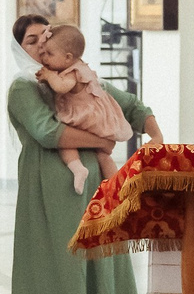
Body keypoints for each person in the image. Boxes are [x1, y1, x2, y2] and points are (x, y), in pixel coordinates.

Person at [9, 13, 158, 294]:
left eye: (46, 37)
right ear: (20, 49)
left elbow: (130, 105)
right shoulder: (23, 89)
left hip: (92, 195)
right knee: (50, 281)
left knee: (89, 281)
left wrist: (153, 131)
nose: (41, 45)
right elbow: (48, 133)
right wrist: (105, 138)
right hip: (45, 198)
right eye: (31, 40)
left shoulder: (83, 78)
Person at [32, 23, 132, 194]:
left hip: (84, 116)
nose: (45, 58)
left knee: (65, 141)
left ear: (68, 57)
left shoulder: (71, 73)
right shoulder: (82, 66)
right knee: (103, 155)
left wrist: (49, 76)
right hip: (98, 116)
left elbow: (62, 87)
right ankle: (116, 186)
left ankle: (77, 168)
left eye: (50, 54)